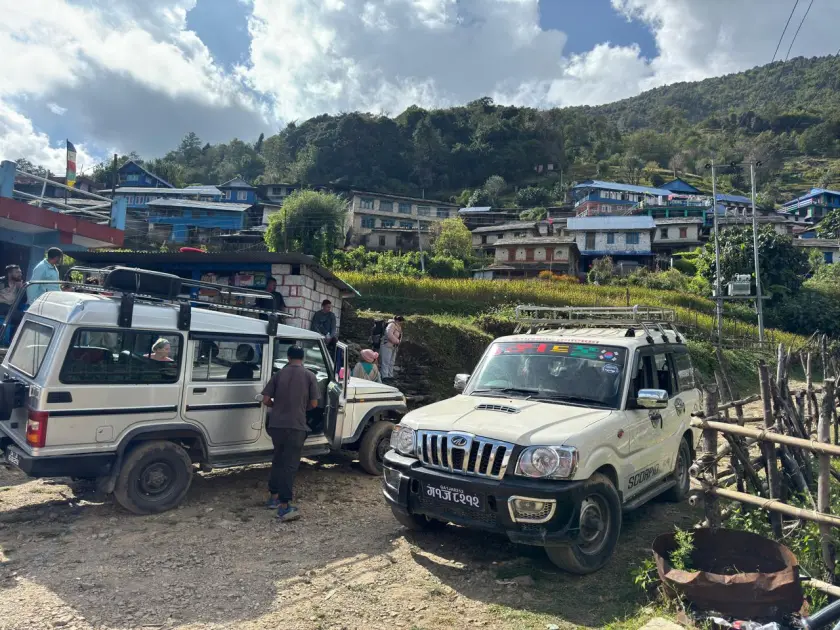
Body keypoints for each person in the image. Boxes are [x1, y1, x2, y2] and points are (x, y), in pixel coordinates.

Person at [261, 345, 319, 521]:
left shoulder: (279, 374)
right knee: (290, 465)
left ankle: (273, 497)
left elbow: (265, 399)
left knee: (278, 459)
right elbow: (314, 404)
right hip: (296, 426)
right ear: (303, 358)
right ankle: (285, 506)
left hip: (276, 425)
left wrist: (277, 407)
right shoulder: (309, 376)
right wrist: (302, 409)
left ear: (288, 357)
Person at [380, 315, 404, 380]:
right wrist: (397, 341)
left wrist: (398, 342)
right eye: (401, 321)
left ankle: (390, 375)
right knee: (386, 361)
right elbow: (389, 334)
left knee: (391, 362)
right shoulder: (391, 325)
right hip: (387, 345)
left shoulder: (398, 326)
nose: (401, 323)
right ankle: (385, 376)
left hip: (394, 346)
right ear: (398, 320)